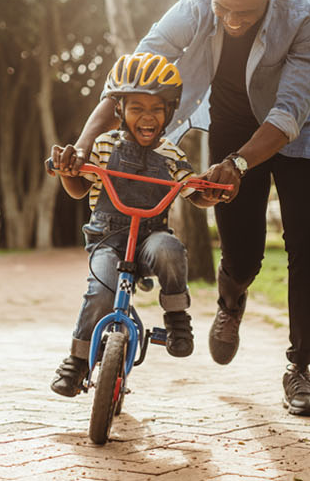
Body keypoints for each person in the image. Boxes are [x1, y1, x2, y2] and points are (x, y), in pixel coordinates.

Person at [57, 0, 310, 416]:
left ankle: (300, 368)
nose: (231, 20)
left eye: (244, 12)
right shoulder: (195, 5)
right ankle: (231, 301)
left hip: (299, 128)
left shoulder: (309, 12)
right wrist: (83, 146)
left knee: (306, 244)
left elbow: (289, 110)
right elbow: (130, 78)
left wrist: (241, 165)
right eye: (223, 7)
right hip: (232, 123)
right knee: (243, 254)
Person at [48, 53, 225, 398]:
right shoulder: (102, 146)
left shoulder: (173, 155)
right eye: (136, 108)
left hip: (150, 238)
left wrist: (211, 193)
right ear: (119, 111)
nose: (147, 117)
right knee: (100, 293)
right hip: (107, 240)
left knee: (170, 250)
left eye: (157, 109)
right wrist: (69, 173)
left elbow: (193, 191)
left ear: (170, 112)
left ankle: (176, 318)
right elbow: (79, 188)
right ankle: (77, 360)